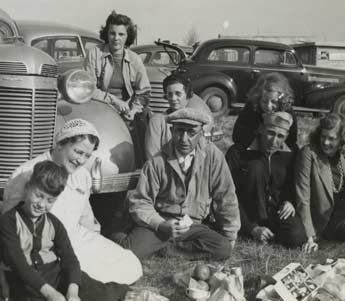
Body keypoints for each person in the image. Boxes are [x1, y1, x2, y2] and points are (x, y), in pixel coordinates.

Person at [3, 119, 142, 285]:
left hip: (77, 238)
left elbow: (86, 216)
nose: (81, 160)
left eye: (87, 156)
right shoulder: (26, 173)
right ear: (61, 144)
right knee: (90, 277)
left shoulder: (82, 176)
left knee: (129, 262)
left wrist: (96, 242)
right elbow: (10, 224)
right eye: (78, 152)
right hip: (46, 247)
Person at [114, 104, 240, 260]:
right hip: (161, 222)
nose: (184, 139)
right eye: (180, 131)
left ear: (201, 133)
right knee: (130, 252)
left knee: (222, 248)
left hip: (192, 224)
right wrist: (162, 225)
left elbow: (226, 195)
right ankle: (124, 234)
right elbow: (140, 202)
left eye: (191, 133)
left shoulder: (213, 156)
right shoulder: (157, 161)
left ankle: (167, 250)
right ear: (171, 131)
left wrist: (230, 233)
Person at [0, 160, 129, 301]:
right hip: (23, 282)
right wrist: (51, 294)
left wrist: (72, 292)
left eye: (50, 200)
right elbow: (18, 263)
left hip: (54, 275)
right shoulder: (9, 221)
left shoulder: (54, 223)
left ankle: (130, 294)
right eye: (38, 195)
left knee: (92, 288)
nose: (42, 204)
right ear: (27, 188)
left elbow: (70, 259)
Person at [227, 112, 306, 247]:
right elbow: (227, 195)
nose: (273, 141)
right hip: (247, 214)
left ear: (286, 136)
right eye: (270, 133)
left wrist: (290, 201)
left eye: (280, 136)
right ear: (261, 129)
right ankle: (248, 230)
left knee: (297, 238)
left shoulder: (291, 154)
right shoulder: (237, 153)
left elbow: (295, 184)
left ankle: (270, 232)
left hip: (277, 212)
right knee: (256, 166)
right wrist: (251, 227)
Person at [84, 10, 151, 166]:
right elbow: (88, 88)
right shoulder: (94, 54)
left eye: (121, 34)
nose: (116, 38)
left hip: (128, 109)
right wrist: (113, 100)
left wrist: (133, 110)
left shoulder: (134, 59)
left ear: (128, 36)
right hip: (101, 106)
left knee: (144, 122)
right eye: (112, 33)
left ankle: (141, 168)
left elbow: (144, 91)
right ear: (106, 34)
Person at [295, 113, 345, 253]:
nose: (326, 142)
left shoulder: (342, 158)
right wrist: (309, 235)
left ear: (341, 139)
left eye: (331, 138)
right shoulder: (309, 153)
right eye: (323, 136)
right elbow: (302, 197)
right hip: (324, 222)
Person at [145, 73, 213, 159]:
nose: (173, 98)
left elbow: (204, 153)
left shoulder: (198, 121)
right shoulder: (157, 121)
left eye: (178, 94)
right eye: (169, 94)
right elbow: (152, 155)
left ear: (187, 95)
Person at [232, 72, 298, 150]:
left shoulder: (288, 112)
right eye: (264, 101)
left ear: (282, 100)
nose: (268, 106)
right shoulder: (251, 108)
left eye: (274, 102)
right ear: (258, 98)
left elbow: (292, 140)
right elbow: (237, 137)